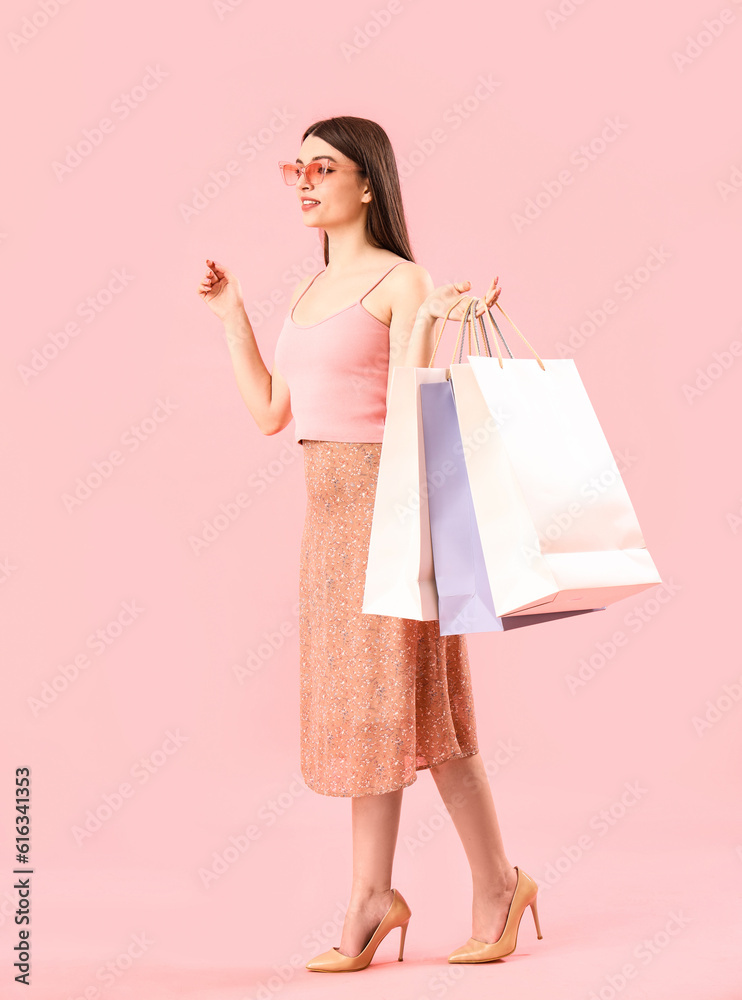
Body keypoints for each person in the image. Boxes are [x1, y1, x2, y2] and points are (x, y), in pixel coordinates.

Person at [196, 115, 542, 971]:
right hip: (327, 527)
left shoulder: (401, 280)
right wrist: (231, 312)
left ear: (367, 183)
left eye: (323, 167)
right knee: (371, 718)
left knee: (425, 713)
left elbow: (409, 412)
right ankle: (386, 896)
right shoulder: (305, 294)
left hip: (393, 514)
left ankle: (483, 888)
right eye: (296, 168)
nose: (305, 181)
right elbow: (273, 413)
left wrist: (433, 322)